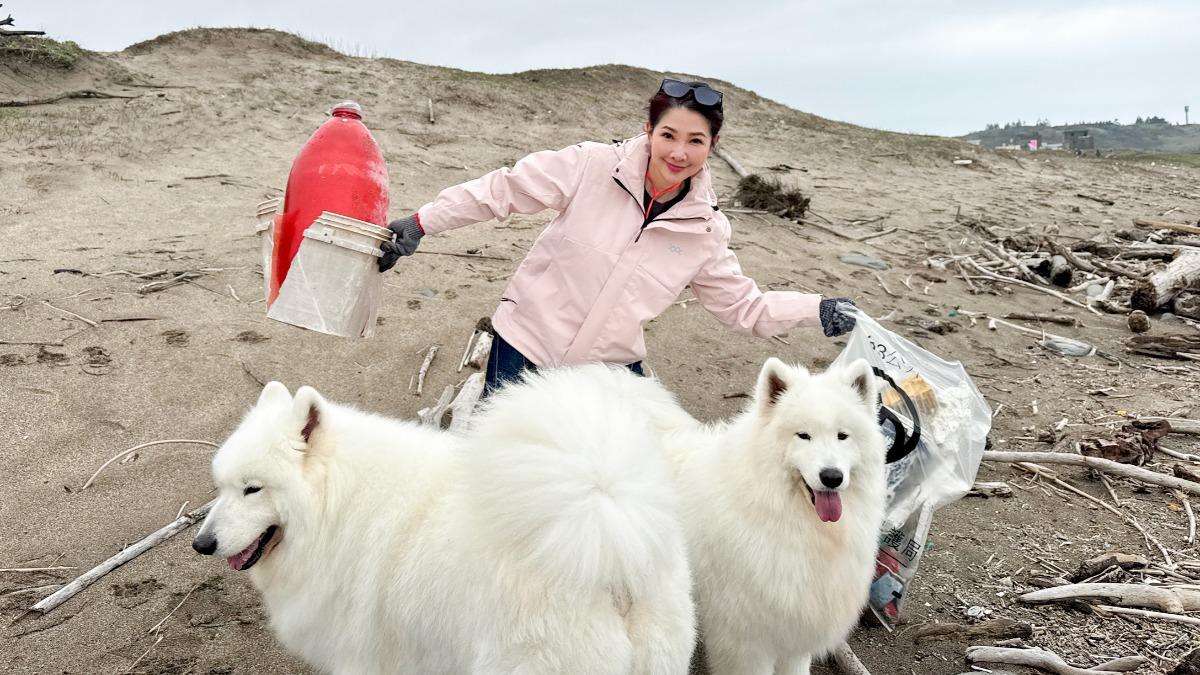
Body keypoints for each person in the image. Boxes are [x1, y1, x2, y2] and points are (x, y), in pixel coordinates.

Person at [379, 79, 857, 393]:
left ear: (713, 145)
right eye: (668, 135)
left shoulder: (706, 231)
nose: (678, 153)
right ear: (649, 131)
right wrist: (423, 223)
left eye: (695, 141)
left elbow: (743, 308)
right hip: (524, 346)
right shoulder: (591, 165)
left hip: (605, 374)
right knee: (501, 471)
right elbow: (502, 190)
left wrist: (816, 309)